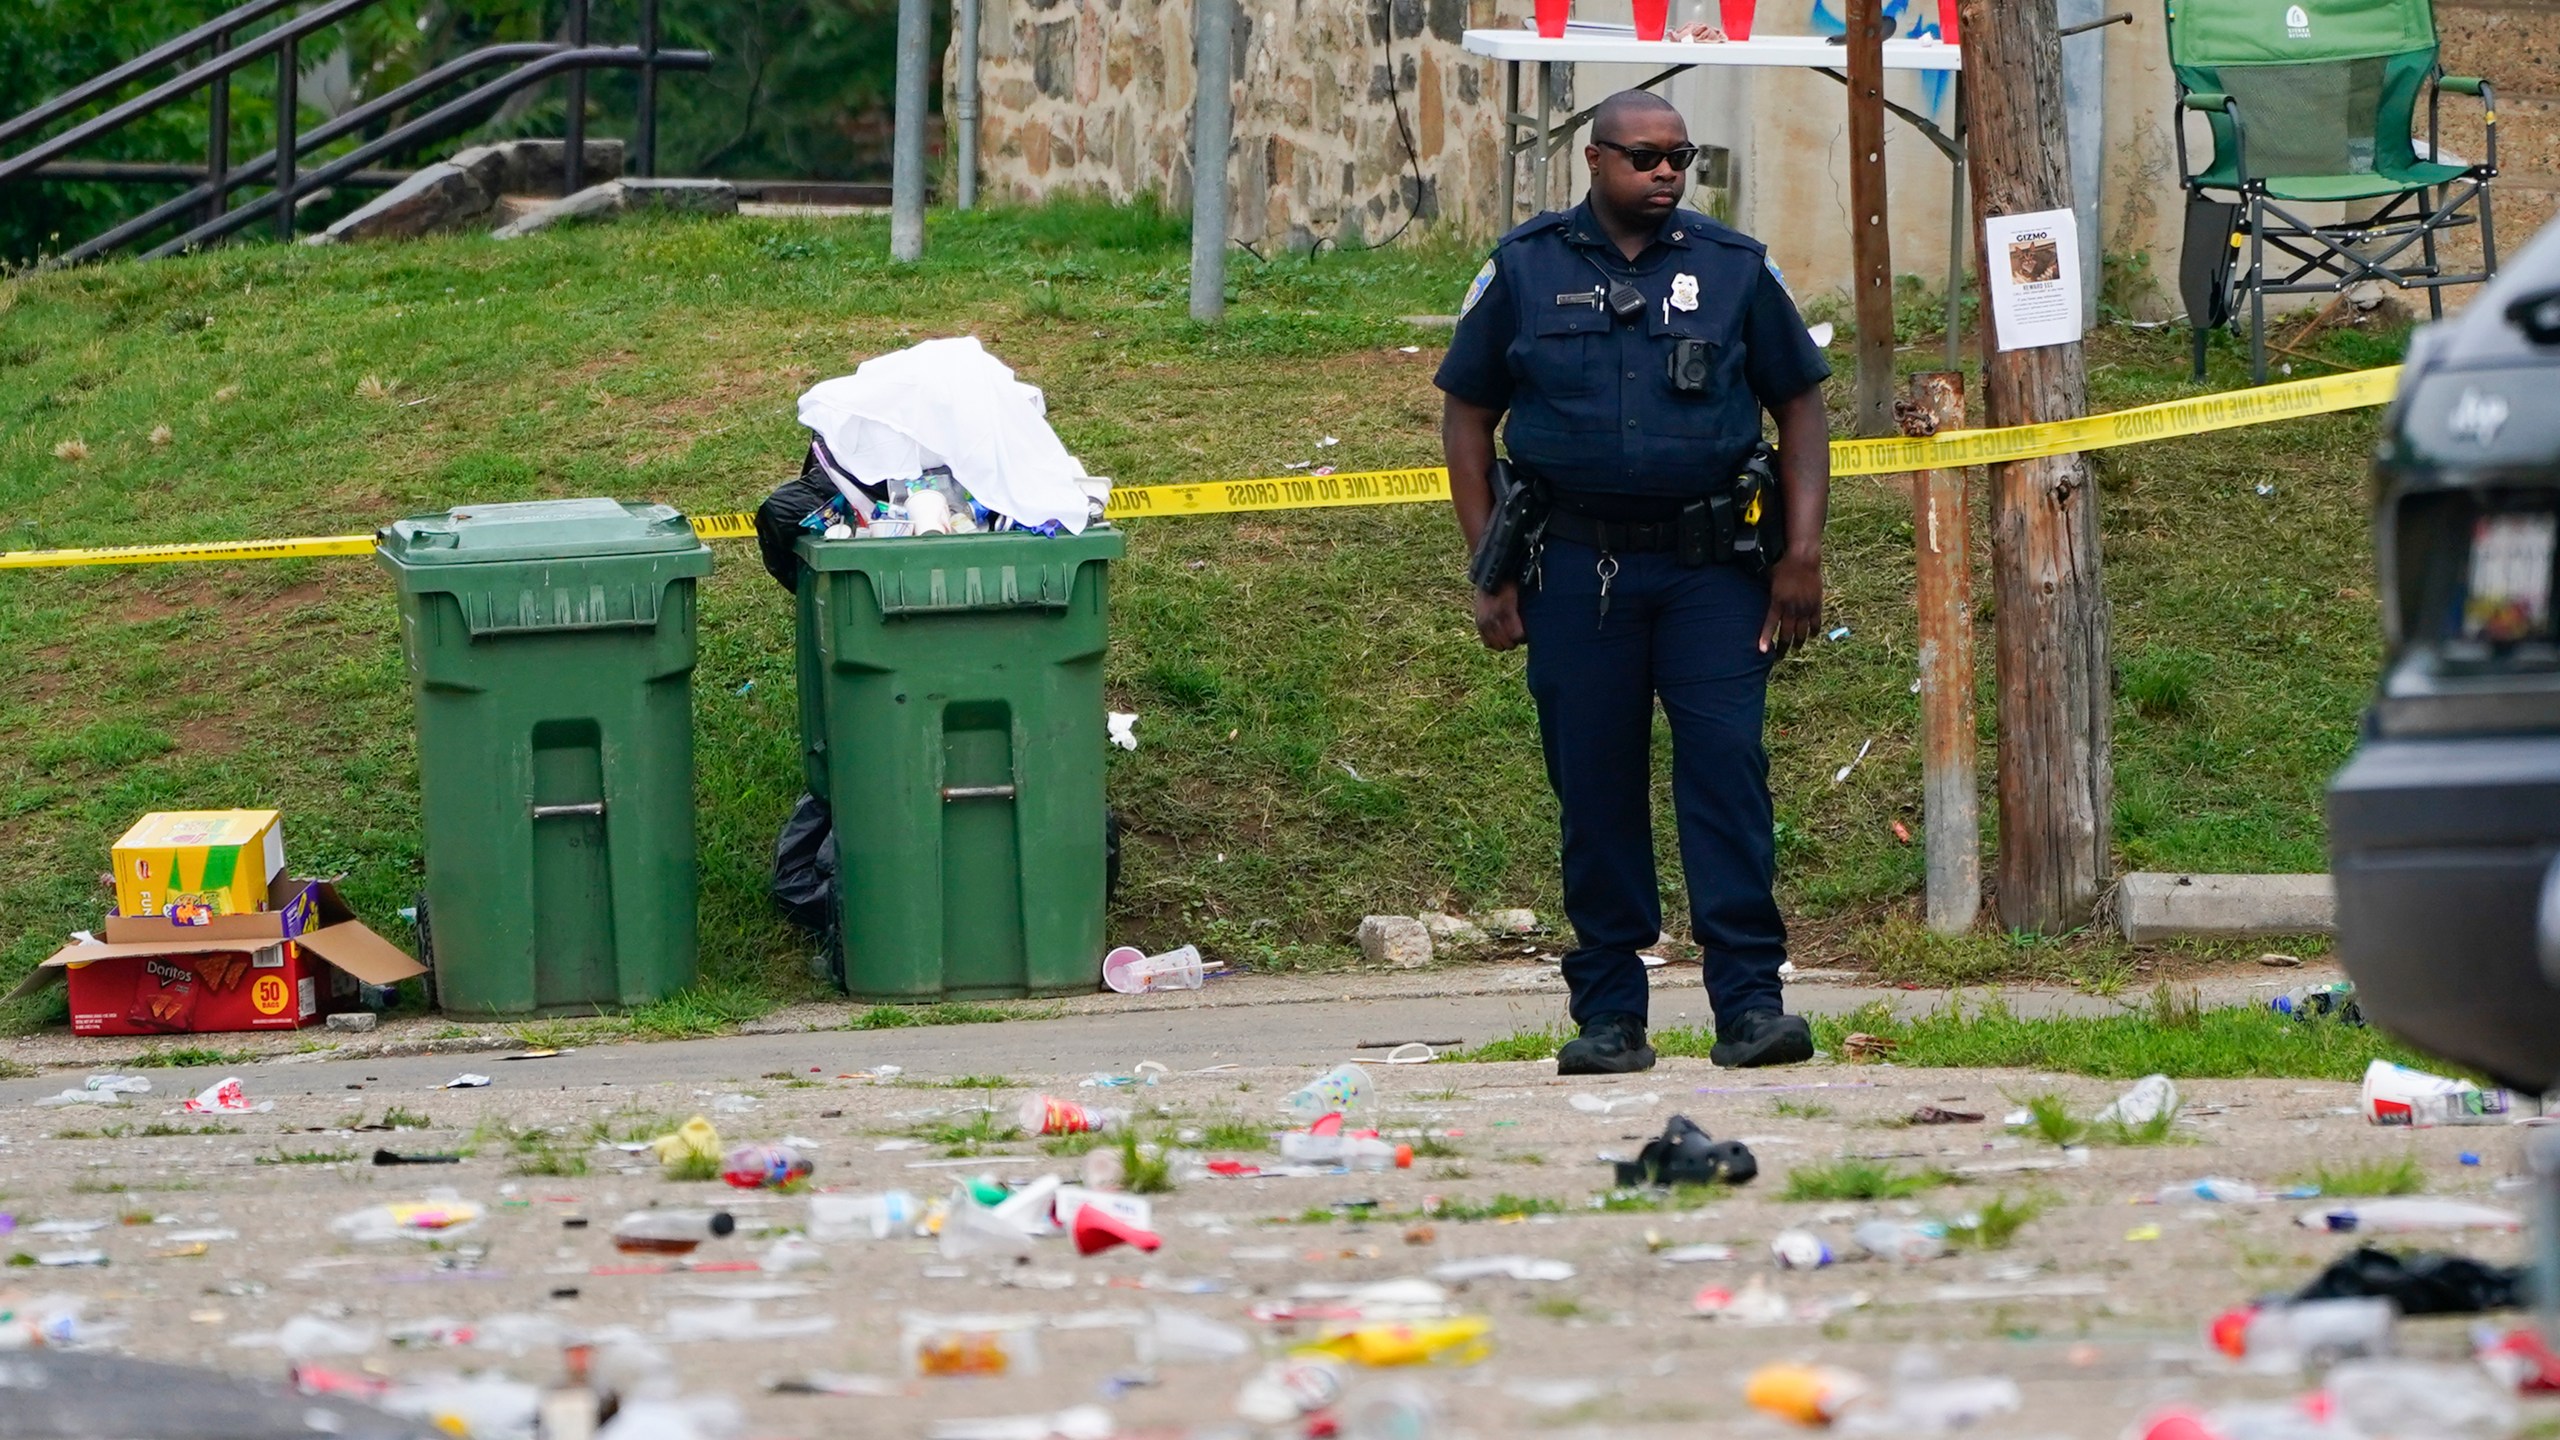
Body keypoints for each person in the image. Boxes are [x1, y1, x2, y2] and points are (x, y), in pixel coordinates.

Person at [1434, 90, 1832, 1074]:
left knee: (1726, 772)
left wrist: (1802, 556)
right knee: (1595, 787)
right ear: (1594, 160)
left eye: (1679, 158)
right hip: (1576, 570)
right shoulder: (1523, 269)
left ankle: (1748, 1005)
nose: (1664, 174)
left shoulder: (1731, 268)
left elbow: (1802, 407)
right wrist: (1489, 567)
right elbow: (1466, 417)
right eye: (1643, 158)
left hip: (1713, 573)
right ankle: (1609, 1014)